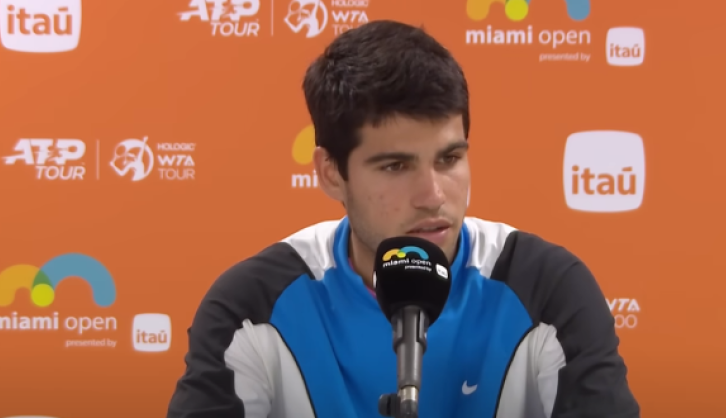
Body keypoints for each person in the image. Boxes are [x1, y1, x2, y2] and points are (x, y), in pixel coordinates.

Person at [166, 20, 640, 418]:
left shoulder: (548, 289)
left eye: (449, 159)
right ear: (331, 173)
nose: (433, 196)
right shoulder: (252, 306)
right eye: (396, 166)